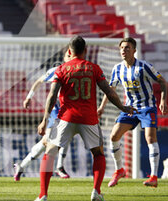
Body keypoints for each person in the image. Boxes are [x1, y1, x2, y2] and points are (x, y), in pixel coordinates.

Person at [35, 36, 135, 201]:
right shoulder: (93, 68)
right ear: (85, 51)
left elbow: (52, 95)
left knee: (50, 152)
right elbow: (109, 92)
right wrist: (123, 108)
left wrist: (45, 119)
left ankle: (43, 195)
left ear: (69, 51)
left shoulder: (61, 69)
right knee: (98, 153)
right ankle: (96, 192)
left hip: (65, 117)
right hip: (88, 118)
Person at [97, 37, 167, 188]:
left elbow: (163, 82)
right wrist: (102, 107)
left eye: (127, 47)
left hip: (147, 107)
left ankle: (154, 177)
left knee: (150, 138)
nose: (124, 50)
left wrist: (162, 100)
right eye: (122, 48)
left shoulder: (144, 67)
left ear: (134, 51)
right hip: (130, 109)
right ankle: (119, 170)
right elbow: (110, 90)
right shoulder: (117, 69)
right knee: (114, 136)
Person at [13, 51, 71, 181]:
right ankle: (59, 167)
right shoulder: (57, 71)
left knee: (48, 141)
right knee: (50, 140)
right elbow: (38, 81)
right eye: (68, 55)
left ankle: (22, 166)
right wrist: (29, 97)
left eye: (72, 55)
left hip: (70, 111)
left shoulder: (79, 72)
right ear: (64, 58)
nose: (71, 57)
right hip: (57, 112)